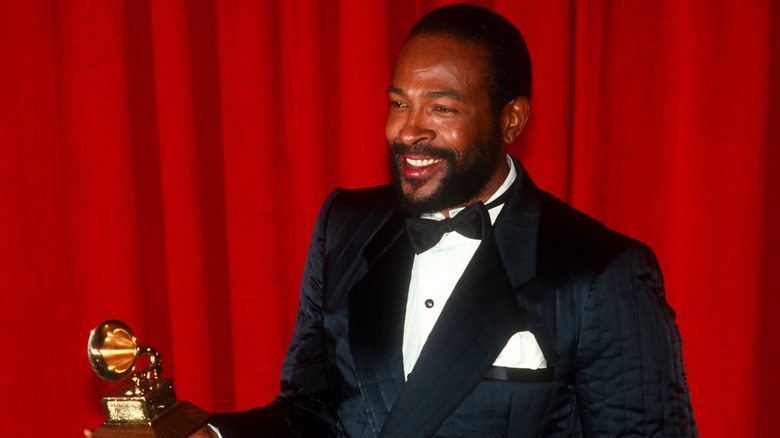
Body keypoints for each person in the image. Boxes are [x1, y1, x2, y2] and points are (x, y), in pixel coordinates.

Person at [179, 4, 697, 437]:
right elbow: (310, 412)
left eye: (442, 109)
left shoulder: (600, 272)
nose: (408, 131)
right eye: (398, 102)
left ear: (510, 120)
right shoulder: (346, 227)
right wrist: (212, 435)